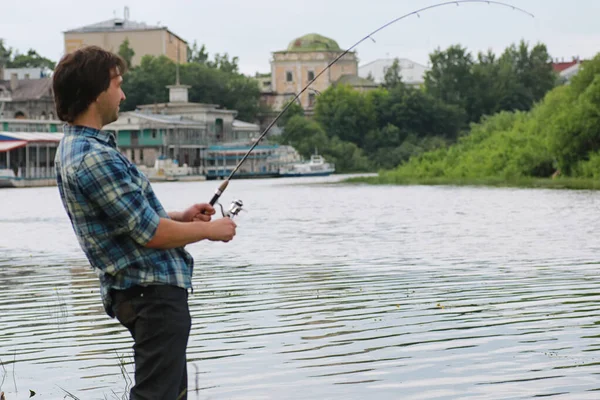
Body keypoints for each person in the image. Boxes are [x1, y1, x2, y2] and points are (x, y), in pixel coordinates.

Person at [52, 45, 237, 400]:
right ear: (95, 92)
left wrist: (182, 217)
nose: (122, 94)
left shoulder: (81, 149)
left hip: (147, 294)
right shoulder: (92, 157)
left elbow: (130, 219)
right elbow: (150, 233)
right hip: (151, 296)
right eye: (117, 84)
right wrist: (209, 230)